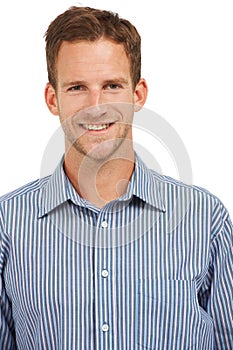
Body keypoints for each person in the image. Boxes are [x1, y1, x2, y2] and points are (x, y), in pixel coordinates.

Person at [0, 6, 232, 350]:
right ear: (53, 99)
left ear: (137, 94)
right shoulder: (8, 223)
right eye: (77, 87)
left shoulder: (204, 217)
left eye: (112, 86)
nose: (96, 105)